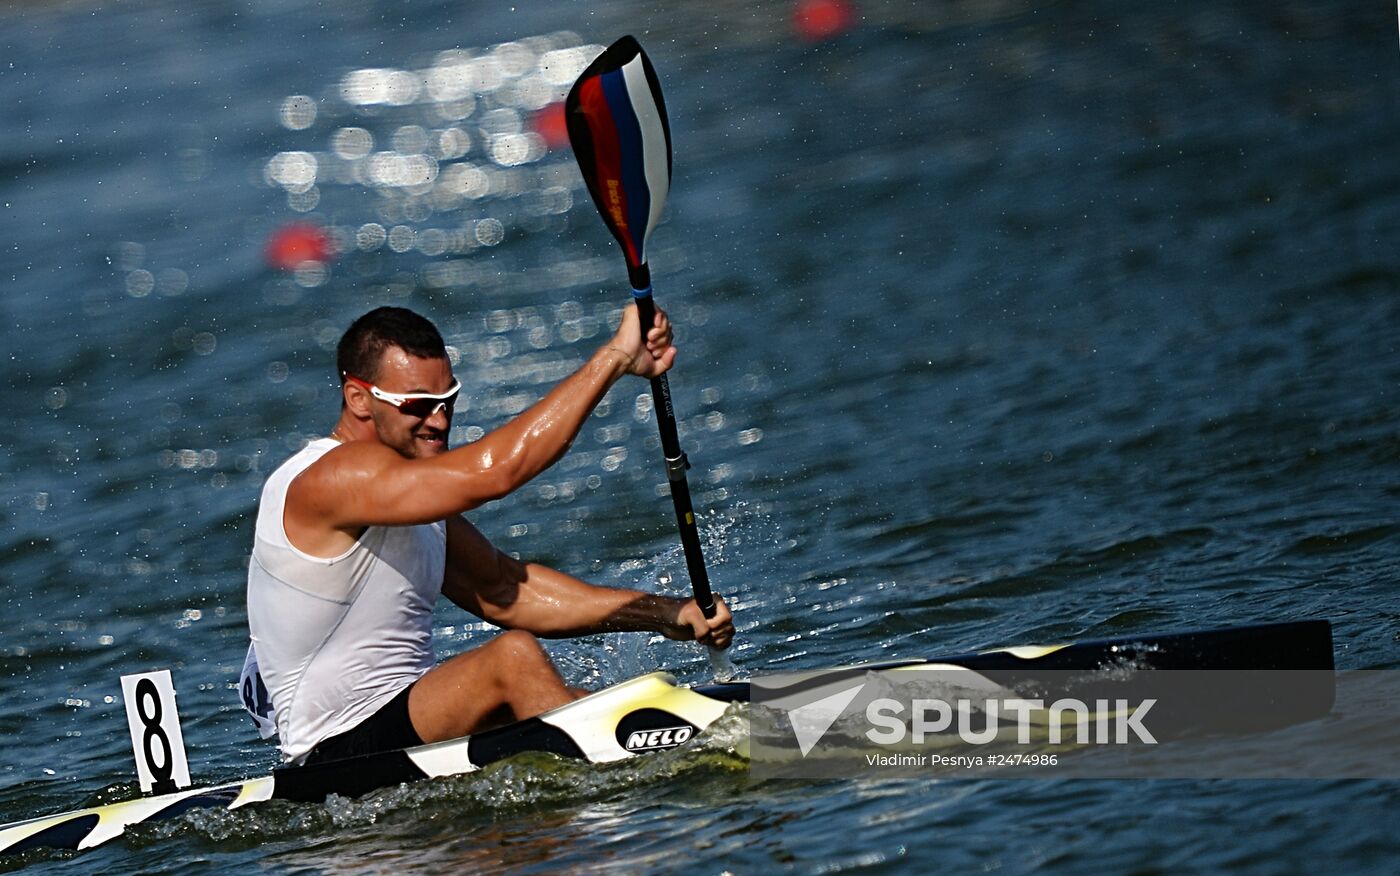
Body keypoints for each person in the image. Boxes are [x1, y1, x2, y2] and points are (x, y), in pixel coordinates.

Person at [243, 304, 733, 765]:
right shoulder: (334, 478)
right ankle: (613, 824)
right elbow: (495, 473)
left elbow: (506, 591)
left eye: (447, 400)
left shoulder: (406, 493)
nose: (439, 421)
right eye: (418, 405)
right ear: (359, 399)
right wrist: (615, 358)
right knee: (512, 660)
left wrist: (665, 612)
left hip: (410, 730)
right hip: (333, 756)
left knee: (597, 705)